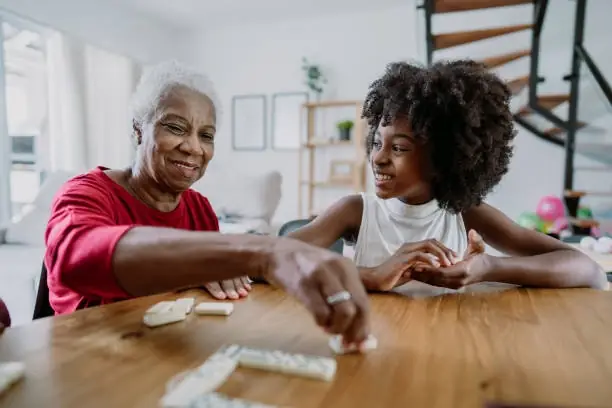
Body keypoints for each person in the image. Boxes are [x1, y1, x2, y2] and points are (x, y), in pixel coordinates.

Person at [44, 61, 369, 345]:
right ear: (138, 130)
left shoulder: (199, 209)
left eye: (207, 135)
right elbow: (73, 257)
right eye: (175, 127)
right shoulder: (86, 192)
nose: (193, 148)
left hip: (170, 352)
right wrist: (262, 251)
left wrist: (370, 275)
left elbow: (225, 287)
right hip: (90, 358)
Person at [288, 60, 607, 296]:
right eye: (376, 142)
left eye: (398, 147)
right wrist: (370, 276)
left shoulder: (465, 214)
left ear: (442, 160)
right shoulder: (355, 211)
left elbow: (588, 270)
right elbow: (272, 260)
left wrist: (488, 268)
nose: (378, 157)